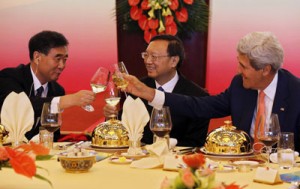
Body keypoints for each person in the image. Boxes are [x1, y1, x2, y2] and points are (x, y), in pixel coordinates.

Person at [122, 31, 300, 152]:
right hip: (243, 168)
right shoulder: (240, 86)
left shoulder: (296, 92)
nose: (238, 71)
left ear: (266, 69)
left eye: (243, 66)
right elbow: (200, 106)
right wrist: (150, 94)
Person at [104, 35, 209, 147]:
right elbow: (123, 130)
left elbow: (195, 143)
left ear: (174, 61)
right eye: (146, 55)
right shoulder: (136, 87)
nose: (148, 61)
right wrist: (111, 117)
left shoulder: (198, 96)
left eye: (154, 56)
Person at [0, 30, 95, 141]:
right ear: (37, 57)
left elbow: (53, 135)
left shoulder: (57, 90)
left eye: (65, 60)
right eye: (58, 59)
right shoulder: (9, 77)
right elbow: (22, 106)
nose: (62, 66)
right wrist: (66, 100)